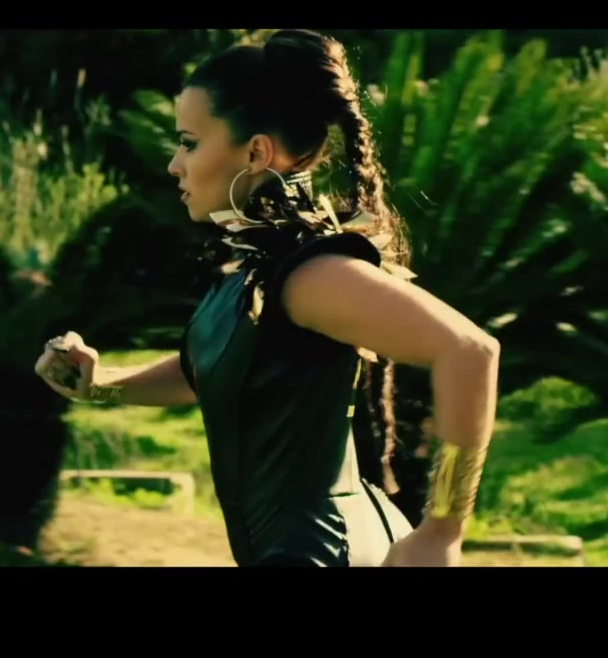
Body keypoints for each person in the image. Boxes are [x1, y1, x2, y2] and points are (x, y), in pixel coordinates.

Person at [33, 29, 500, 567]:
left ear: (256, 152)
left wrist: (442, 531)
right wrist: (101, 384)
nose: (174, 165)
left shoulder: (310, 275)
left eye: (189, 143)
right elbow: (215, 371)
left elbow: (471, 352)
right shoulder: (259, 264)